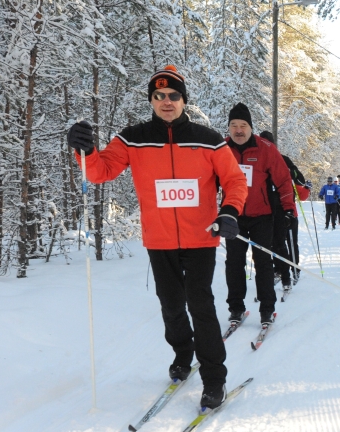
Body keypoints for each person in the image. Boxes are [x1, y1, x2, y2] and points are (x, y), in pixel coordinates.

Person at [65, 65, 248, 410]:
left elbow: (235, 181)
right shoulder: (133, 138)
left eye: (174, 96)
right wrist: (84, 150)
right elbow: (100, 171)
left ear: (183, 100)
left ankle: (214, 379)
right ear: (151, 100)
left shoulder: (207, 139)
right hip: (159, 239)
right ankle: (183, 353)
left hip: (200, 238)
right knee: (171, 306)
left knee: (201, 306)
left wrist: (229, 211)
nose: (167, 101)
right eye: (159, 96)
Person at [222, 107, 295, 331]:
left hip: (262, 216)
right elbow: (207, 180)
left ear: (251, 127)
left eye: (243, 125)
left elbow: (283, 180)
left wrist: (288, 208)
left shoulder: (265, 149)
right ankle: (236, 308)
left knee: (263, 263)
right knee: (234, 263)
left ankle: (266, 309)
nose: (238, 130)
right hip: (233, 216)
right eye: (234, 125)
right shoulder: (222, 149)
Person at [259, 130, 310, 287]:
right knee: (274, 242)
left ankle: (294, 268)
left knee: (290, 240)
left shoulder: (285, 160)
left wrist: (303, 184)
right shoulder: (259, 162)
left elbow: (299, 181)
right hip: (269, 210)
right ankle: (278, 269)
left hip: (287, 208)